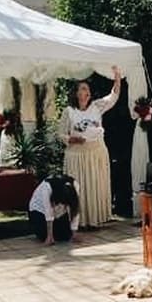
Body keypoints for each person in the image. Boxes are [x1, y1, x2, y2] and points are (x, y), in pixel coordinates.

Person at [58, 67, 122, 229]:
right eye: (82, 88)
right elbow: (60, 134)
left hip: (96, 153)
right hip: (77, 156)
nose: (85, 90)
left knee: (94, 186)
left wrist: (117, 78)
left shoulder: (96, 107)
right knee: (79, 188)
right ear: (76, 93)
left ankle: (93, 221)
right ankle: (78, 222)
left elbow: (113, 96)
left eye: (87, 88)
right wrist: (72, 139)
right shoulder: (69, 111)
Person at [28, 175, 80, 245]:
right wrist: (50, 236)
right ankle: (46, 232)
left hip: (59, 212)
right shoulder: (46, 187)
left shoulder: (75, 186)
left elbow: (75, 208)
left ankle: (55, 231)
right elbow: (48, 212)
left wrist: (74, 233)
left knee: (65, 236)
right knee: (44, 236)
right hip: (39, 210)